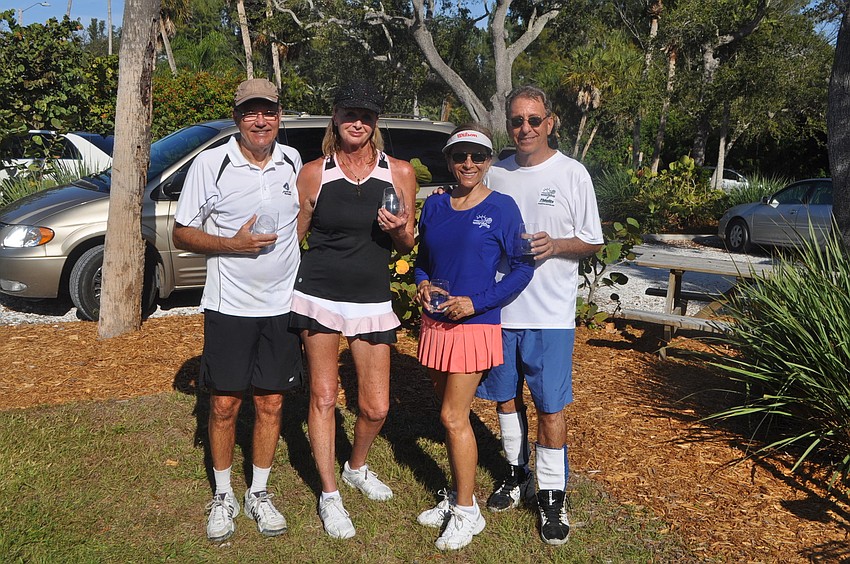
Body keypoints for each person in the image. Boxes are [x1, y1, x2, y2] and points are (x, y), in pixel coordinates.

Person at [172, 78, 304, 542]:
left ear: (279, 115)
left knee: (271, 402)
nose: (260, 120)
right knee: (225, 404)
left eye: (268, 111)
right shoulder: (212, 164)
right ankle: (224, 495)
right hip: (229, 306)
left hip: (282, 306)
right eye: (251, 112)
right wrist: (232, 244)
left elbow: (301, 218)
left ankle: (260, 493)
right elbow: (181, 233)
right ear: (237, 119)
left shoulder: (292, 162)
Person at [476, 85, 604, 545]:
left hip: (549, 314)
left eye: (534, 120)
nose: (525, 128)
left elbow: (592, 240)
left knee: (550, 406)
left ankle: (552, 494)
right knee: (505, 399)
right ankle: (516, 473)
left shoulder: (572, 173)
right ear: (507, 124)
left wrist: (558, 244)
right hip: (499, 310)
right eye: (516, 121)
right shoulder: (497, 173)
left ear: (550, 122)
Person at [289, 80, 416, 539]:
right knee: (323, 398)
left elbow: (408, 241)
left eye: (365, 115)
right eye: (348, 114)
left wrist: (400, 229)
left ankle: (355, 466)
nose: (356, 122)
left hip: (371, 300)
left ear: (375, 122)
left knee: (376, 406)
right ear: (336, 119)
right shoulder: (313, 173)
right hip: (318, 295)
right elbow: (293, 239)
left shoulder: (399, 173)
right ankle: (329, 495)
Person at [413, 124, 534, 551]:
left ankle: (467, 510)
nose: (468, 163)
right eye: (460, 156)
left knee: (452, 416)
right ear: (448, 159)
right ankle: (457, 495)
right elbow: (423, 260)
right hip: (435, 323)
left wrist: (477, 303)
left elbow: (523, 267)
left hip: (474, 325)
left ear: (488, 162)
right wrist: (423, 282)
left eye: (478, 157)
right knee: (447, 415)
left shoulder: (502, 207)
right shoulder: (435, 205)